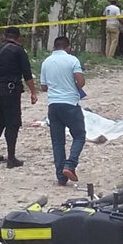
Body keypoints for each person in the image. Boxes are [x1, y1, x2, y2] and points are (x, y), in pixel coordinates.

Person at [0, 27, 37, 168]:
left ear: (5, 35)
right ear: (18, 37)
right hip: (10, 91)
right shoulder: (19, 51)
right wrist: (33, 92)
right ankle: (11, 158)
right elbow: (27, 74)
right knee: (13, 123)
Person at [40, 35, 86, 186]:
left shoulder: (46, 62)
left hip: (53, 105)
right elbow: (81, 81)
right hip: (70, 103)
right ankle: (70, 165)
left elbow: (44, 87)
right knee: (79, 135)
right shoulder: (72, 60)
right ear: (67, 48)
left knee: (57, 142)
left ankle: (61, 176)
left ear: (54, 47)